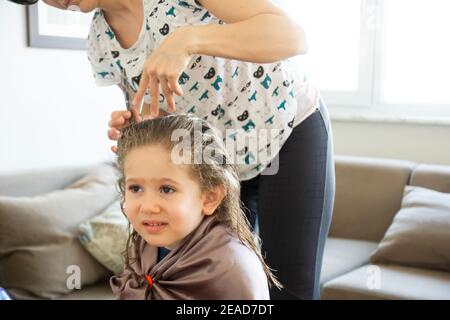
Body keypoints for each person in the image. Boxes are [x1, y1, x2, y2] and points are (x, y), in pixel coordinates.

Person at [42, 0, 335, 299]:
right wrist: (135, 124)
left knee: (289, 289)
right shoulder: (101, 40)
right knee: (213, 279)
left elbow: (293, 36)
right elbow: (152, 106)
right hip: (211, 162)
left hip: (286, 130)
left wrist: (187, 40)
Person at [110, 114, 280, 299]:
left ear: (210, 198)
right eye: (136, 188)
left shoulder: (233, 271)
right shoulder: (144, 246)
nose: (148, 207)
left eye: (167, 189)